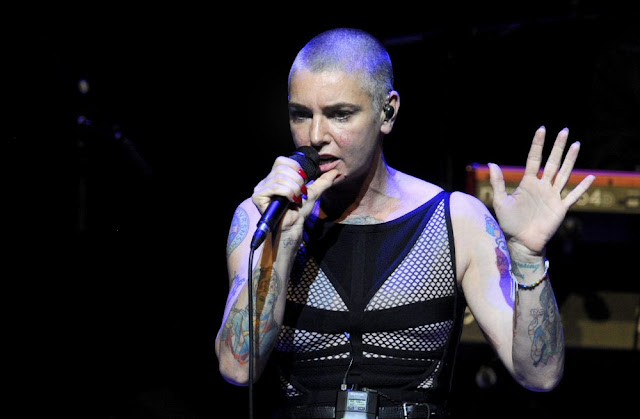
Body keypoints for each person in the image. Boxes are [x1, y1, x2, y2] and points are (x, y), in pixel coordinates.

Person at [215, 27, 595, 418]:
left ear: (388, 112)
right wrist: (283, 243)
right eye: (301, 115)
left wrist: (528, 256)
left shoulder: (457, 220)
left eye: (340, 115)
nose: (315, 136)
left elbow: (540, 375)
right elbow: (238, 368)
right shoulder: (261, 216)